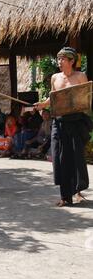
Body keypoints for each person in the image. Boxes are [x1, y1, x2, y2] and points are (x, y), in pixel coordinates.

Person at [35, 47, 92, 207]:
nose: (59, 62)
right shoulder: (55, 78)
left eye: (62, 59)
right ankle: (65, 196)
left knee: (76, 158)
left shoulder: (80, 77)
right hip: (59, 123)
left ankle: (78, 191)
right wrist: (42, 105)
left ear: (71, 61)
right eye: (58, 59)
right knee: (60, 159)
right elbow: (53, 97)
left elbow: (86, 99)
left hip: (75, 122)